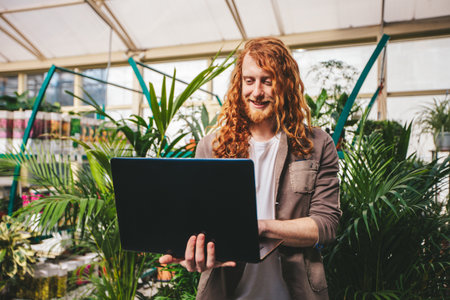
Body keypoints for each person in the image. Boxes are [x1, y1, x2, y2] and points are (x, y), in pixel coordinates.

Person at [160, 37, 340, 299]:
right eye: (249, 80)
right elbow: (200, 225)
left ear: (286, 85)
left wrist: (260, 227)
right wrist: (193, 253)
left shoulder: (317, 144)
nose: (256, 92)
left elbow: (325, 225)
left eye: (267, 81)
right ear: (239, 83)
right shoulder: (211, 147)